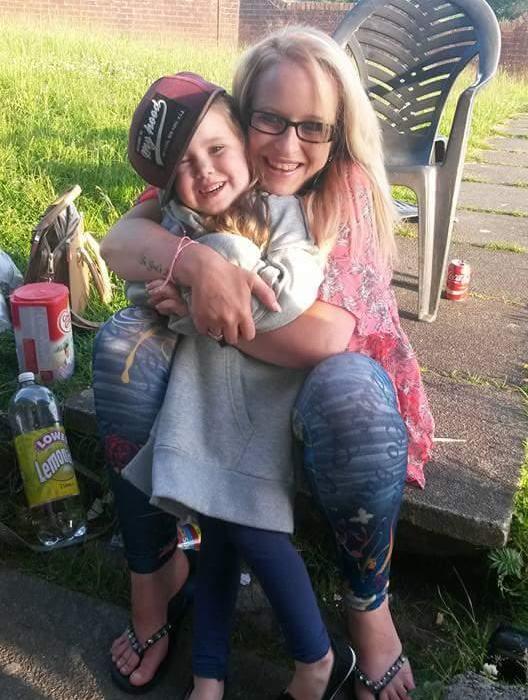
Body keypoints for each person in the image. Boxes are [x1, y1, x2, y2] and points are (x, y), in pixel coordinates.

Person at [94, 25, 434, 700]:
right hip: (232, 383)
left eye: (313, 127)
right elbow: (121, 241)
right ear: (239, 112)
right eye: (270, 120)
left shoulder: (344, 190)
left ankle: (368, 607)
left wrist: (202, 314)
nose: (286, 146)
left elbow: (326, 337)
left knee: (350, 400)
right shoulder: (214, 165)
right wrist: (195, 265)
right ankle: (155, 575)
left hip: (326, 386)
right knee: (119, 347)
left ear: (338, 135)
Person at [121, 70, 355, 700]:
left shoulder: (283, 213)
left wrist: (206, 291)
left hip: (257, 415)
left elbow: (287, 295)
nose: (204, 172)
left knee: (256, 534)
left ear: (244, 144)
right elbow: (138, 284)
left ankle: (317, 659)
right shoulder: (178, 225)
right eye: (184, 166)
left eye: (218, 149)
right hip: (200, 412)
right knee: (217, 541)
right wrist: (182, 288)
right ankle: (209, 677)